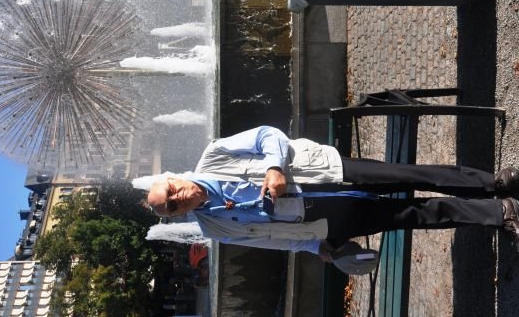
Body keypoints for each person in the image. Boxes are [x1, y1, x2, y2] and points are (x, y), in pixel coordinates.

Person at [147, 126, 519, 262]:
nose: (179, 198)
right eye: (173, 207)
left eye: (172, 191)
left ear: (173, 177)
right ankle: (500, 212)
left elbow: (267, 136)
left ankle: (492, 183)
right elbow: (269, 240)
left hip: (325, 172)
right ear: (178, 215)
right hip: (321, 219)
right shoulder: (214, 227)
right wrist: (315, 247)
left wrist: (274, 167)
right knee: (414, 216)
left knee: (412, 175)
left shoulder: (213, 155)